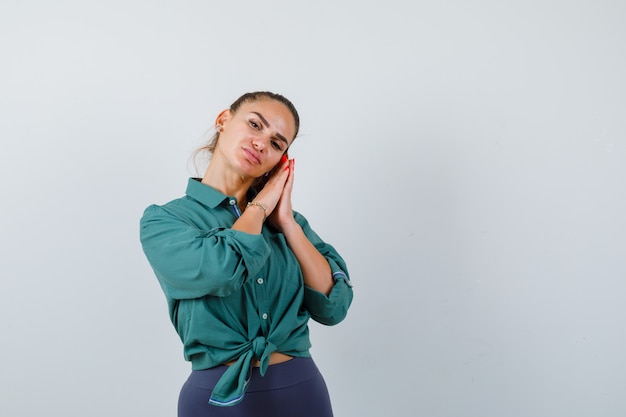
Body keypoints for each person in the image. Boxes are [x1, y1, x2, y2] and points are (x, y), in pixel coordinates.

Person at [139, 91, 354, 417]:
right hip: (216, 399)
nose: (261, 143)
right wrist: (259, 206)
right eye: (255, 125)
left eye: (277, 143)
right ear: (223, 120)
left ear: (282, 161)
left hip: (301, 392)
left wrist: (287, 224)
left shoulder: (290, 223)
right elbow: (220, 271)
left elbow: (333, 305)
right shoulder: (165, 221)